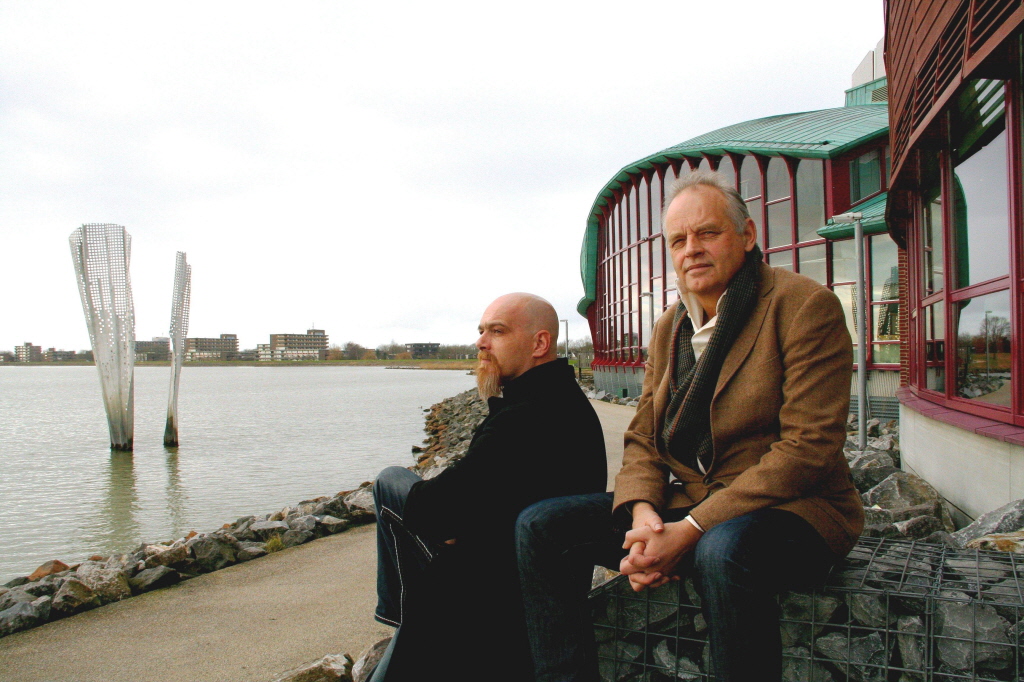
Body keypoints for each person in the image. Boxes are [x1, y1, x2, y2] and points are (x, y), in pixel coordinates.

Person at [516, 170, 864, 682]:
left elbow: (807, 448)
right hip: (693, 505)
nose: (691, 249)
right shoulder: (669, 326)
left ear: (746, 237)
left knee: (723, 550)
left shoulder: (803, 307)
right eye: (678, 240)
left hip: (796, 510)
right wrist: (643, 519)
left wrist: (692, 530)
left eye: (708, 233)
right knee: (541, 526)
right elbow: (643, 437)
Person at [370, 292, 607, 681]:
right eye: (481, 331)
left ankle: (398, 615)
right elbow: (487, 494)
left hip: (491, 590)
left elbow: (438, 510)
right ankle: (402, 615)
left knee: (390, 481)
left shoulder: (526, 417)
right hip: (518, 564)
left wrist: (454, 527)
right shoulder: (560, 399)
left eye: (497, 331)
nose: (481, 342)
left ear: (540, 344)